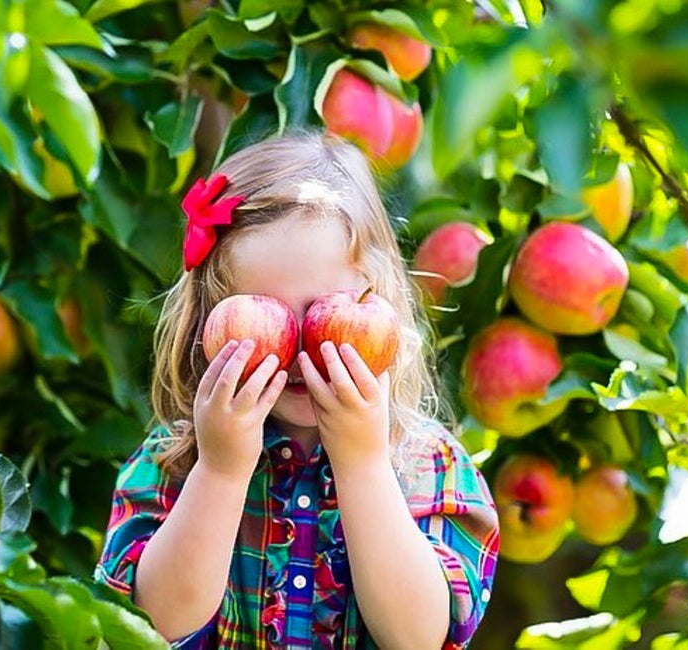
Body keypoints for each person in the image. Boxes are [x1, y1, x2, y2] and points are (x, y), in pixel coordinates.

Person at [95, 132, 499, 649]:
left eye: (325, 311)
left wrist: (363, 465)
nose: (301, 352)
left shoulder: (427, 465)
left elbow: (417, 639)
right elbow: (154, 626)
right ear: (208, 321)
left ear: (379, 306)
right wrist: (220, 471)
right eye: (269, 315)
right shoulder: (178, 459)